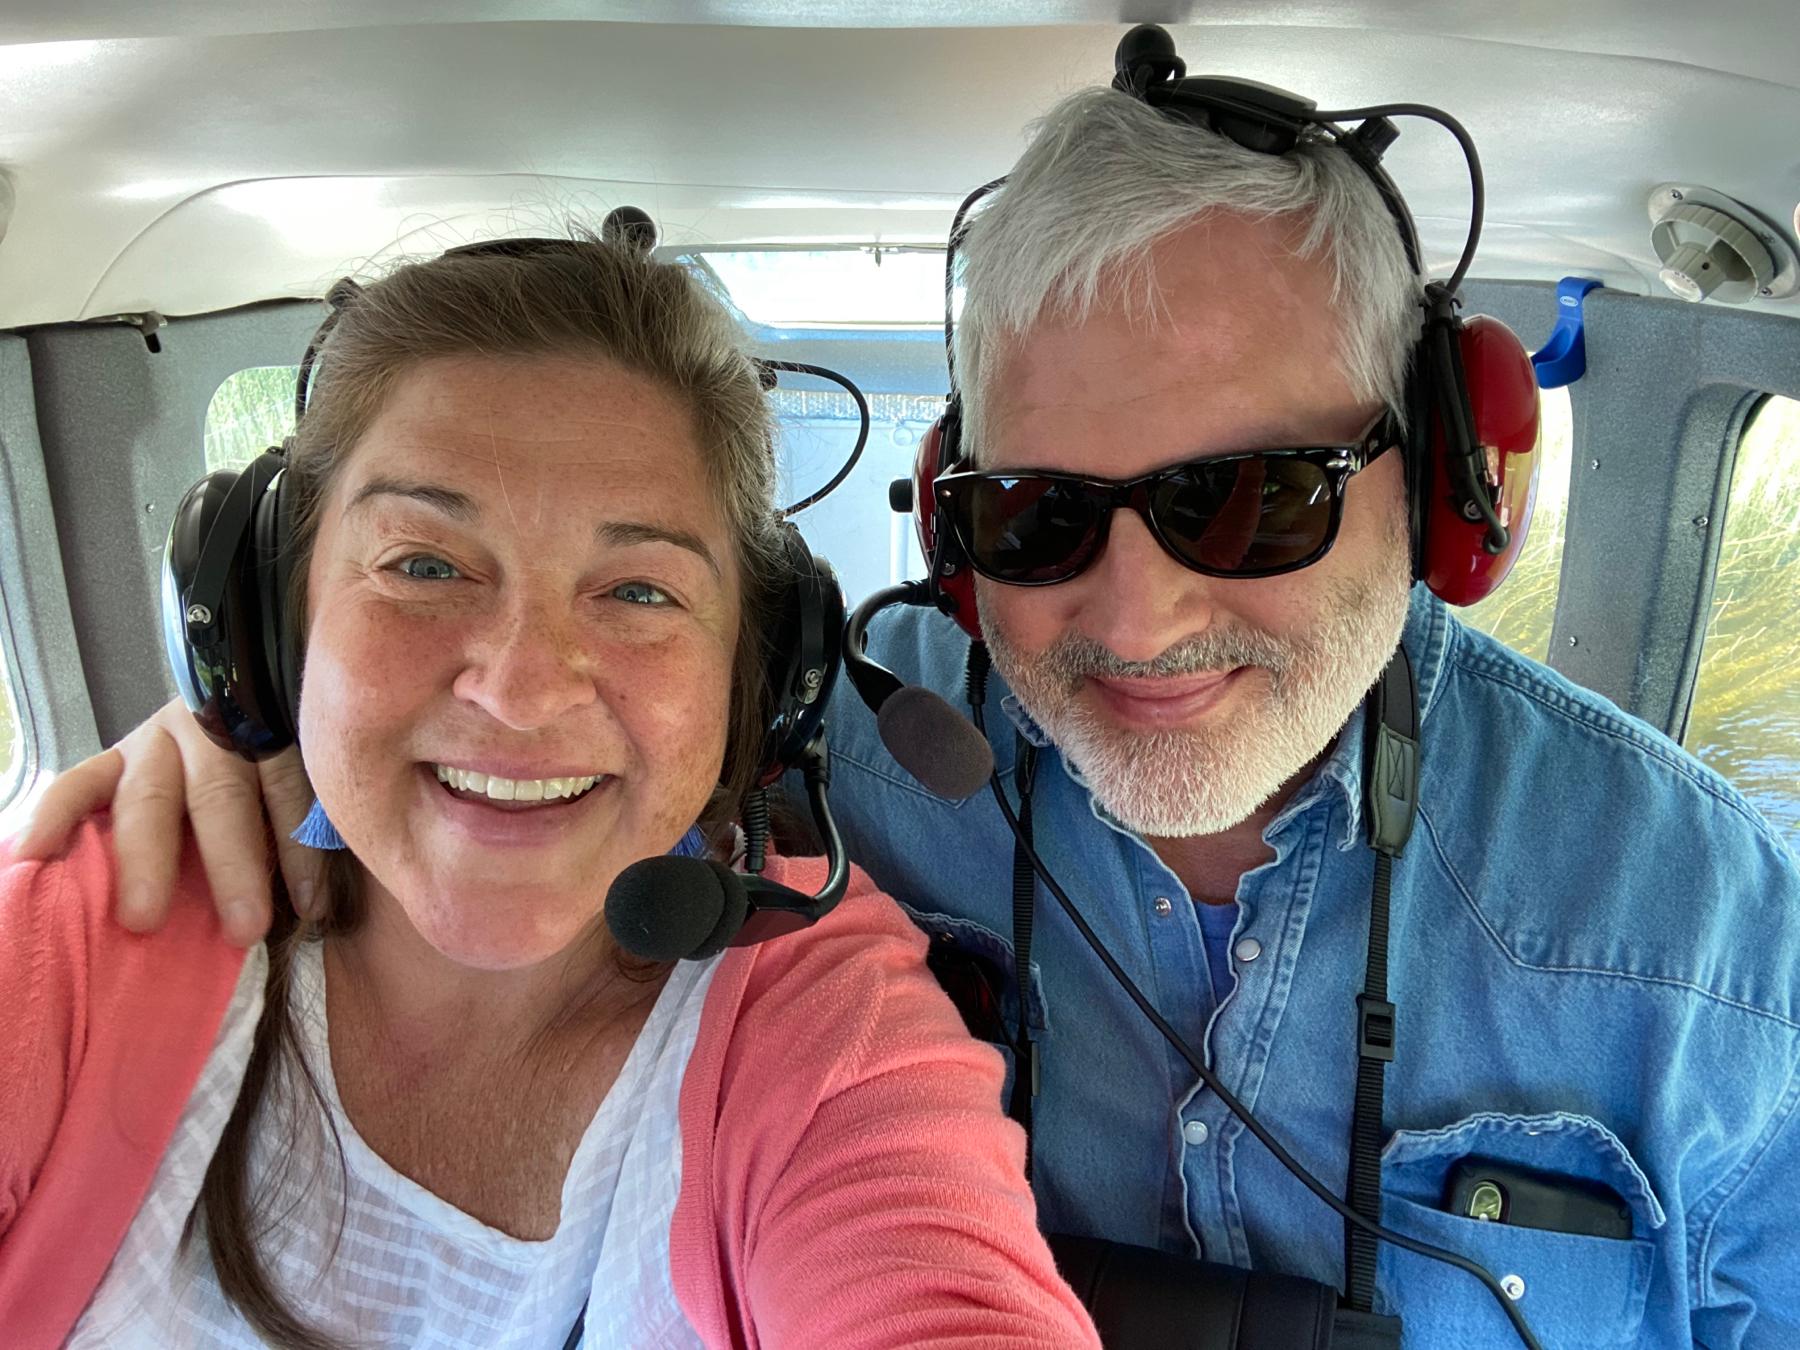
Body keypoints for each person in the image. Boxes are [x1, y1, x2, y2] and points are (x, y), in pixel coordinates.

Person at [21, 43, 1800, 1350]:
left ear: (1455, 485)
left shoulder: (1724, 952)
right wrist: (269, 747)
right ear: (953, 525)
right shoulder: (832, 759)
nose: (1137, 615)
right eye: (1039, 516)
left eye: (1251, 500)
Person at [0, 238, 1100, 1349]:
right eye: (424, 565)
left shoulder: (827, 1024)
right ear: (272, 629)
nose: (521, 693)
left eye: (638, 591)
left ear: (757, 677)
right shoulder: (99, 912)